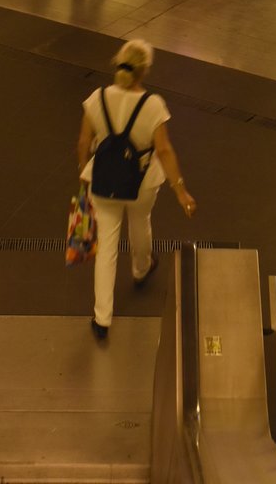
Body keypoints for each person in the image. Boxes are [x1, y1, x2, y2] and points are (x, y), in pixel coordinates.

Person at [76, 38, 196, 340]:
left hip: (103, 181)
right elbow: (164, 150)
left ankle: (102, 318)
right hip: (142, 181)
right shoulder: (152, 105)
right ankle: (142, 268)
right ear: (144, 71)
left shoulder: (97, 98)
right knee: (140, 222)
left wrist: (83, 173)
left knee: (106, 246)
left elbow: (82, 142)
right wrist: (180, 190)